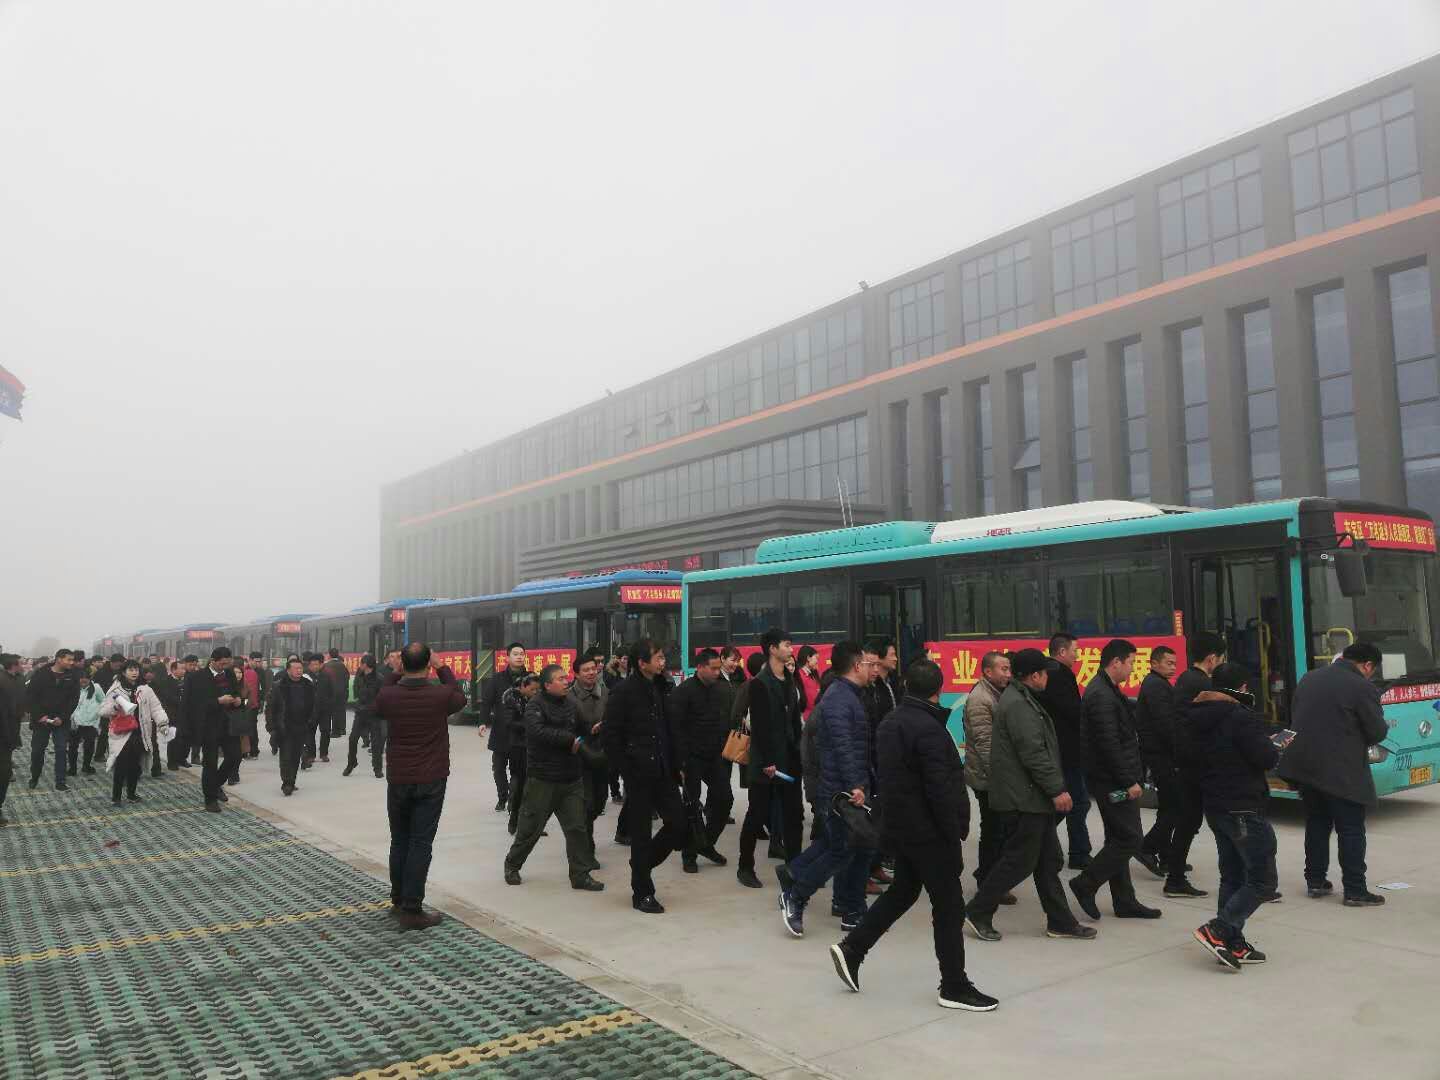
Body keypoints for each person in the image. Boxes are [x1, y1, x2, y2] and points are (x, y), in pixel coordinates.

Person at [829, 657, 997, 1012]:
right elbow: (940, 790)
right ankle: (954, 985)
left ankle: (853, 949)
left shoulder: (891, 722)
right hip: (929, 833)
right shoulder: (930, 731)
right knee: (949, 907)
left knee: (903, 892)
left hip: (902, 828)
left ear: (906, 686)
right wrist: (953, 834)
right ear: (938, 690)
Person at [965, 649, 1094, 943]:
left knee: (1048, 860)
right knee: (1020, 860)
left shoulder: (1022, 698)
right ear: (1034, 676)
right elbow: (1033, 753)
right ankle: (978, 911)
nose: (1048, 677)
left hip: (1030, 795)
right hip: (1024, 797)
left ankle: (1060, 921)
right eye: (1045, 673)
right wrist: (1057, 789)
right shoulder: (1018, 705)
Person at [1184, 663, 1279, 972]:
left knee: (1233, 875)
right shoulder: (1239, 716)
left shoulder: (1195, 715)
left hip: (1215, 804)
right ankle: (1219, 929)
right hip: (1243, 804)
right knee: (1263, 881)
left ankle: (1232, 941)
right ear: (1242, 688)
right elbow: (1266, 758)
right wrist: (1274, 745)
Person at [1278, 641, 1388, 906]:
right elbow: (1376, 732)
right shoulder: (1361, 686)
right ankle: (1355, 890)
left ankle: (1315, 881)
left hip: (1306, 768)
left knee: (1317, 823)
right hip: (1341, 771)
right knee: (1350, 829)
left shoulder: (1309, 678)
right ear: (1367, 665)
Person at [778, 640, 873, 935]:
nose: (871, 669)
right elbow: (844, 747)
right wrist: (855, 785)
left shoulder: (849, 695)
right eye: (868, 664)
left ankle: (852, 910)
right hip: (839, 793)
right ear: (856, 665)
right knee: (840, 850)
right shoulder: (839, 700)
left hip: (847, 788)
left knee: (852, 847)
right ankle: (796, 896)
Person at [374, 642, 465, 929]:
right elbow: (459, 697)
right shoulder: (441, 694)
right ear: (428, 665)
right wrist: (443, 667)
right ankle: (412, 909)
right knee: (420, 842)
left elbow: (379, 701)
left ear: (402, 664)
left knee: (399, 840)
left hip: (399, 778)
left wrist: (394, 673)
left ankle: (398, 900)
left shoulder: (389, 694)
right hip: (431, 778)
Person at [1069, 639, 1161, 921]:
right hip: (1113, 781)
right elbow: (1108, 744)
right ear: (1116, 662)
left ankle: (1124, 901)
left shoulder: (1107, 689)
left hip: (1115, 778)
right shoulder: (1101, 694)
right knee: (1131, 839)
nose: (1133, 669)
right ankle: (1085, 883)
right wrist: (1128, 781)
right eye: (1131, 662)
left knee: (1118, 837)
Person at [602, 638, 686, 913]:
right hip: (638, 773)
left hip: (664, 770)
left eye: (663, 657)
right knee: (640, 834)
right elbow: (610, 736)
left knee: (678, 824)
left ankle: (643, 863)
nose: (663, 662)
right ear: (642, 663)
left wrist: (677, 763)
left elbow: (670, 729)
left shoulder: (662, 687)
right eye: (658, 658)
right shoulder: (623, 692)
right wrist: (626, 768)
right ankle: (642, 893)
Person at [503, 663, 604, 891]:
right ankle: (512, 864)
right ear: (547, 685)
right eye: (560, 679)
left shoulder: (571, 704)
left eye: (566, 677)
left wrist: (592, 731)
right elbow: (539, 732)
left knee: (577, 828)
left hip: (570, 779)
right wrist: (570, 740)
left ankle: (580, 875)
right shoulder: (535, 706)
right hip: (543, 779)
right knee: (530, 829)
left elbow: (582, 729)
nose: (566, 681)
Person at [1136, 645, 1208, 898]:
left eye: (1175, 663)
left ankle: (1166, 855)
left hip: (1161, 755)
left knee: (1169, 806)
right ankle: (1147, 846)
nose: (1173, 667)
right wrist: (1180, 753)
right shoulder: (1156, 686)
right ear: (1154, 663)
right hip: (1162, 757)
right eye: (1168, 662)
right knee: (1176, 807)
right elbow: (1166, 725)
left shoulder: (1159, 684)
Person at [735, 629, 805, 889]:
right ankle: (745, 866)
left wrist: (799, 751)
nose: (791, 649)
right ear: (772, 649)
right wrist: (766, 762)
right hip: (766, 762)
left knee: (793, 815)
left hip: (789, 759)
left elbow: (795, 720)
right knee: (757, 814)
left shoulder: (790, 680)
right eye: (786, 645)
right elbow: (761, 727)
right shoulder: (759, 683)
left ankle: (795, 868)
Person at [669, 648, 734, 874]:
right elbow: (675, 730)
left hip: (715, 756)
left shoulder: (720, 689)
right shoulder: (683, 692)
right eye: (713, 668)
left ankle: (706, 843)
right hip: (691, 758)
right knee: (692, 806)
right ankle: (689, 854)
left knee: (725, 799)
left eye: (718, 668)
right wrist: (680, 763)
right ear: (699, 667)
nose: (717, 672)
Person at [963, 651, 1015, 899]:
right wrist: (999, 779)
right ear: (987, 671)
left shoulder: (997, 692)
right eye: (1003, 669)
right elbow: (985, 745)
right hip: (987, 778)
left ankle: (988, 876)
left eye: (1009, 669)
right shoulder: (980, 699)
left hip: (995, 775)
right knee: (994, 830)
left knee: (998, 829)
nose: (1008, 674)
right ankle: (987, 882)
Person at [1035, 634, 1091, 870]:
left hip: (1060, 749)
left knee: (1071, 802)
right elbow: (1071, 711)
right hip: (1066, 751)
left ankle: (1038, 843)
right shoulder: (1060, 674)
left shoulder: (1051, 672)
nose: (1077, 656)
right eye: (1074, 651)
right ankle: (1078, 853)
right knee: (1077, 802)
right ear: (1062, 652)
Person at [182, 646, 244, 813]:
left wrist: (238, 699)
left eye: (227, 664)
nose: (225, 667)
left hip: (228, 724)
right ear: (212, 661)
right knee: (210, 763)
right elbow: (194, 704)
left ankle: (215, 785)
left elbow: (236, 692)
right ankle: (210, 799)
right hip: (208, 726)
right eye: (222, 664)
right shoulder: (197, 678)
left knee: (235, 756)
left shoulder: (229, 674)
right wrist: (218, 701)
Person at [100, 660, 169, 805]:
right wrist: (115, 708)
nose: (134, 672)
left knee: (135, 766)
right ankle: (116, 797)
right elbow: (103, 710)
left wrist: (162, 722)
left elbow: (156, 708)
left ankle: (131, 794)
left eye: (136, 670)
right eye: (131, 670)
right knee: (121, 765)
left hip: (140, 733)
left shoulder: (145, 689)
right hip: (122, 734)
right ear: (124, 672)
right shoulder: (116, 690)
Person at [480, 644, 528, 813]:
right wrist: (483, 722)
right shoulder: (497, 679)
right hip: (501, 731)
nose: (519, 656)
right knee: (498, 768)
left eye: (522, 654)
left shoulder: (530, 678)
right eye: (515, 654)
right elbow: (487, 702)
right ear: (508, 657)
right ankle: (503, 797)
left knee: (519, 771)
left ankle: (515, 800)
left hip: (522, 732)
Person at [569, 650, 609, 849]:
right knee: (587, 803)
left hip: (602, 754)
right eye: (586, 670)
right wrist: (586, 733)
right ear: (576, 674)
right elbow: (567, 729)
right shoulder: (569, 697)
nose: (592, 672)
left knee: (601, 801)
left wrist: (606, 725)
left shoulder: (605, 692)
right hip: (580, 756)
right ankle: (586, 846)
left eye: (593, 668)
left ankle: (584, 831)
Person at [26, 649, 79, 791]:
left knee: (61, 749)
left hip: (61, 720)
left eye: (72, 660)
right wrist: (39, 715)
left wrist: (62, 717)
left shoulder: (72, 676)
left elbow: (73, 700)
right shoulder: (41, 674)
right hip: (41, 720)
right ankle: (34, 777)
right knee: (37, 750)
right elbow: (31, 696)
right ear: (59, 659)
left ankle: (60, 781)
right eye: (69, 659)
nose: (71, 662)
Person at [269, 657, 317, 795]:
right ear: (288, 670)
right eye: (296, 668)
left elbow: (314, 705)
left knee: (296, 755)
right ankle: (287, 783)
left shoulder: (308, 685)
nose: (299, 671)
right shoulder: (279, 686)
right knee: (286, 756)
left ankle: (292, 780)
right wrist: (272, 726)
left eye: (300, 668)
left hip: (301, 725)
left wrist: (311, 720)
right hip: (284, 726)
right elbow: (271, 708)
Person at [504, 674, 541, 836]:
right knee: (520, 785)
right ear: (523, 687)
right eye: (532, 689)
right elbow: (509, 722)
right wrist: (530, 724)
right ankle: (514, 819)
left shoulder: (538, 701)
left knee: (536, 787)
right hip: (519, 747)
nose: (535, 692)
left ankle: (533, 823)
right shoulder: (512, 700)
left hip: (536, 747)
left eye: (538, 689)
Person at [346, 654, 384, 778]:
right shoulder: (360, 676)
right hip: (360, 712)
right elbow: (356, 689)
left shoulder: (379, 679)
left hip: (374, 714)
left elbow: (382, 696)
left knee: (376, 742)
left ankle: (377, 768)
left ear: (366, 665)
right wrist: (358, 703)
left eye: (361, 663)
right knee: (353, 739)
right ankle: (351, 763)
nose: (360, 666)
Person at [0, 653, 25, 824]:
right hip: (5, 735)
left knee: (4, 772)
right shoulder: (4, 681)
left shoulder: (14, 680)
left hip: (6, 736)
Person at [68, 672, 104, 775]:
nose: (83, 680)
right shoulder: (74, 688)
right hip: (75, 723)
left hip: (90, 723)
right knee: (72, 747)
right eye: (81, 678)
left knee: (89, 747)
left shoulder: (96, 688)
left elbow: (103, 702)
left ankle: (86, 766)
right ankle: (72, 768)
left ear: (90, 679)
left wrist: (96, 714)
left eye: (86, 678)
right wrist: (71, 717)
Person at [304, 653, 336, 765]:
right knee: (310, 732)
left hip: (324, 710)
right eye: (311, 664)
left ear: (321, 665)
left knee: (325, 731)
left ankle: (324, 754)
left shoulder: (326, 676)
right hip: (310, 710)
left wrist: (329, 704)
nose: (314, 666)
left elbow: (332, 692)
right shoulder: (305, 677)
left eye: (316, 664)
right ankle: (311, 755)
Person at [154, 661, 185, 770]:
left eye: (184, 669)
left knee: (182, 738)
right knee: (173, 738)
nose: (183, 671)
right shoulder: (166, 681)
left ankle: (180, 759)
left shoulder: (185, 681)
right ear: (173, 670)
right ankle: (172, 762)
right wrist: (182, 700)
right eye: (181, 668)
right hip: (172, 714)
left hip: (183, 714)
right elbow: (167, 697)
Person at [142, 664, 171, 779]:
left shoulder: (157, 685)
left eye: (152, 673)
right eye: (147, 673)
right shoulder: (140, 686)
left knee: (154, 743)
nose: (150, 675)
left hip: (153, 719)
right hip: (141, 719)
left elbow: (160, 702)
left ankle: (156, 768)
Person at [323, 648, 351, 741]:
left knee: (333, 712)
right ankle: (342, 729)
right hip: (342, 692)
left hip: (332, 692)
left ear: (329, 655)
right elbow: (347, 677)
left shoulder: (326, 665)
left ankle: (335, 732)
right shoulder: (342, 665)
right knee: (341, 710)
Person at [249, 652, 272, 757]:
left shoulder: (261, 672)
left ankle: (254, 749)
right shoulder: (243, 670)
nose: (258, 663)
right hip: (245, 702)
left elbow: (263, 687)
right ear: (250, 660)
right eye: (256, 661)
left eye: (260, 661)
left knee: (253, 725)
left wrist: (261, 701)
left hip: (255, 703)